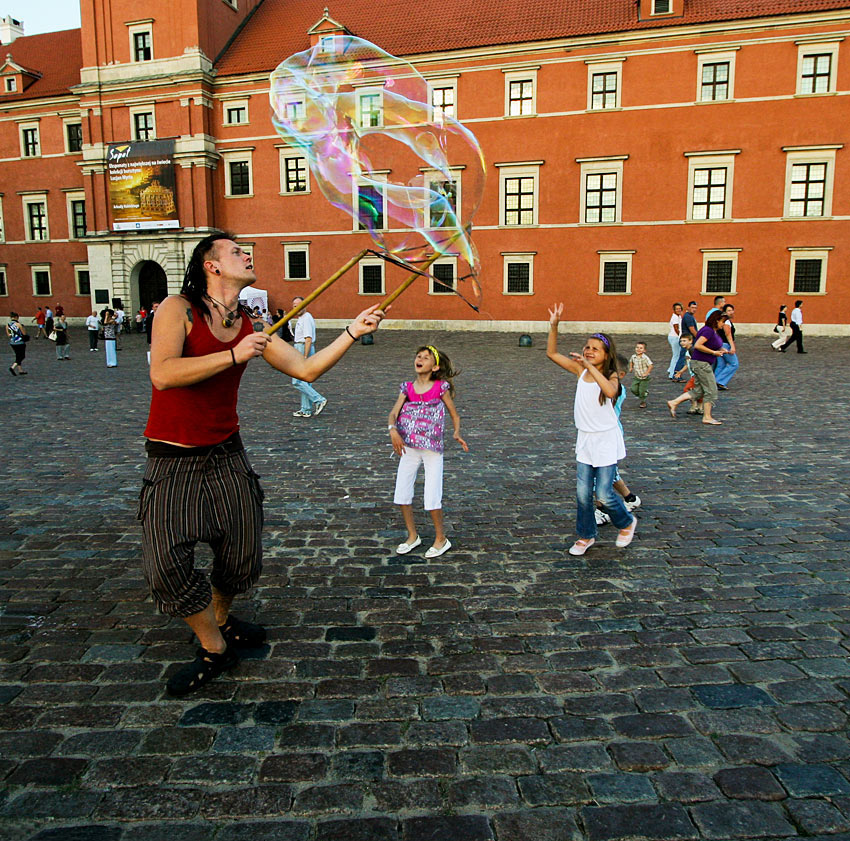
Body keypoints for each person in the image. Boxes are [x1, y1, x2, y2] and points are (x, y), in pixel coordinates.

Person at [140, 231, 383, 696]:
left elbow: (305, 369)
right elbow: (163, 373)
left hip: (227, 453)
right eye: (234, 251)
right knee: (166, 564)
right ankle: (214, 647)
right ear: (211, 265)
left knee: (241, 555)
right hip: (172, 458)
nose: (246, 253)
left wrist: (353, 331)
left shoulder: (250, 324)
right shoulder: (179, 309)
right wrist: (232, 354)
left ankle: (223, 619)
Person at [547, 303, 637, 557]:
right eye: (587, 347)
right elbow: (552, 354)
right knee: (582, 494)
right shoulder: (580, 371)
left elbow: (609, 393)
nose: (588, 351)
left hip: (606, 440)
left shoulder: (611, 377)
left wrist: (591, 367)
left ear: (606, 355)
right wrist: (554, 326)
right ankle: (586, 535)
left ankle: (626, 522)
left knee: (605, 494)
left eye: (595, 349)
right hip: (585, 439)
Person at [389, 345, 468, 559]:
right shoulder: (407, 388)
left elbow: (455, 415)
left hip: (432, 449)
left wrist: (456, 433)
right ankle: (412, 536)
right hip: (409, 447)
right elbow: (393, 413)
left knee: (432, 495)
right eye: (418, 356)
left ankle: (441, 539)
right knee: (402, 492)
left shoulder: (440, 388)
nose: (420, 359)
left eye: (426, 357)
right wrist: (392, 430)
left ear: (435, 367)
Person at [666, 309, 729, 425]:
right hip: (702, 364)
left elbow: (709, 344)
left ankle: (674, 402)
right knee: (711, 390)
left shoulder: (710, 331)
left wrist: (720, 349)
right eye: (722, 321)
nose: (723, 324)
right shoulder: (708, 331)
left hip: (700, 363)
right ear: (716, 321)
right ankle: (707, 416)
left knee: (699, 391)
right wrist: (713, 353)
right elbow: (698, 345)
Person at [290, 296, 328, 418]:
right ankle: (305, 409)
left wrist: (305, 356)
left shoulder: (306, 318)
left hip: (302, 348)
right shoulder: (304, 317)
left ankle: (319, 399)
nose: (296, 308)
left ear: (305, 305)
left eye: (299, 305)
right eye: (294, 306)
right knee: (305, 381)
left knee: (297, 381)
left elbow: (308, 339)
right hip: (301, 347)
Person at [715, 303, 738, 390]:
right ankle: (719, 381)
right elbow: (728, 335)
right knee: (734, 364)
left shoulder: (721, 321)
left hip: (719, 344)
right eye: (729, 310)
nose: (731, 312)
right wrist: (732, 347)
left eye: (732, 310)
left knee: (721, 365)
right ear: (724, 312)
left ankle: (713, 383)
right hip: (725, 345)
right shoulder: (726, 322)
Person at [674, 301, 698, 374]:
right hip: (686, 340)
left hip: (687, 339)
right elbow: (692, 330)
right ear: (688, 308)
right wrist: (699, 338)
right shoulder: (688, 317)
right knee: (683, 358)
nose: (694, 309)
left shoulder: (689, 316)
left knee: (684, 357)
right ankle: (676, 375)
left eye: (695, 308)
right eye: (692, 307)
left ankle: (677, 374)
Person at [628, 341, 653, 408]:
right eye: (637, 347)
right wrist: (631, 368)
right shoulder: (633, 357)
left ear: (644, 350)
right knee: (633, 389)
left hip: (644, 378)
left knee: (641, 391)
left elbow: (650, 365)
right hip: (637, 377)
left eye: (641, 348)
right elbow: (631, 362)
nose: (638, 349)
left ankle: (643, 401)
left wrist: (646, 373)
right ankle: (644, 394)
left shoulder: (645, 358)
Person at [666, 303, 683, 380]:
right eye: (677, 309)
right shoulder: (675, 317)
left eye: (680, 308)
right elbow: (676, 328)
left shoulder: (678, 316)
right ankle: (672, 373)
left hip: (673, 337)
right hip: (675, 337)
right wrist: (681, 337)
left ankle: (670, 369)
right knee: (676, 355)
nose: (679, 310)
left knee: (676, 355)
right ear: (674, 310)